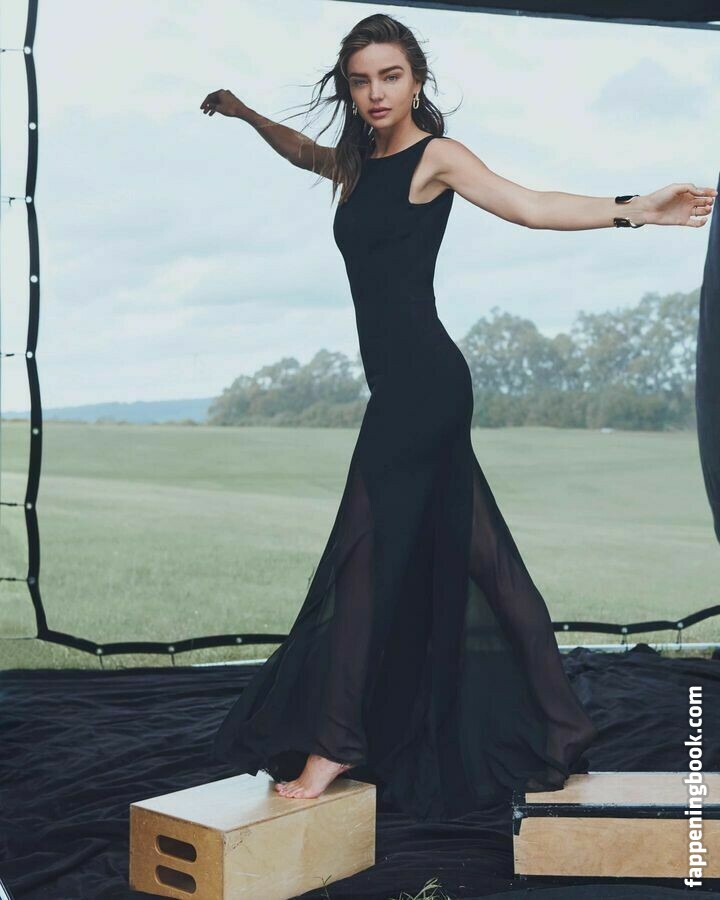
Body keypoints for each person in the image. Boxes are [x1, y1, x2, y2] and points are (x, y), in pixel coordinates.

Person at [202, 13, 716, 822]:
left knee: (361, 554)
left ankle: (336, 739)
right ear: (349, 87)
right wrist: (244, 114)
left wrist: (638, 208)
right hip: (408, 387)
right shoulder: (356, 163)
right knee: (489, 564)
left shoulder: (435, 157)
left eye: (391, 76)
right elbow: (304, 151)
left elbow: (529, 205)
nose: (376, 94)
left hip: (422, 387)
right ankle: (562, 723)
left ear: (417, 79)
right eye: (362, 80)